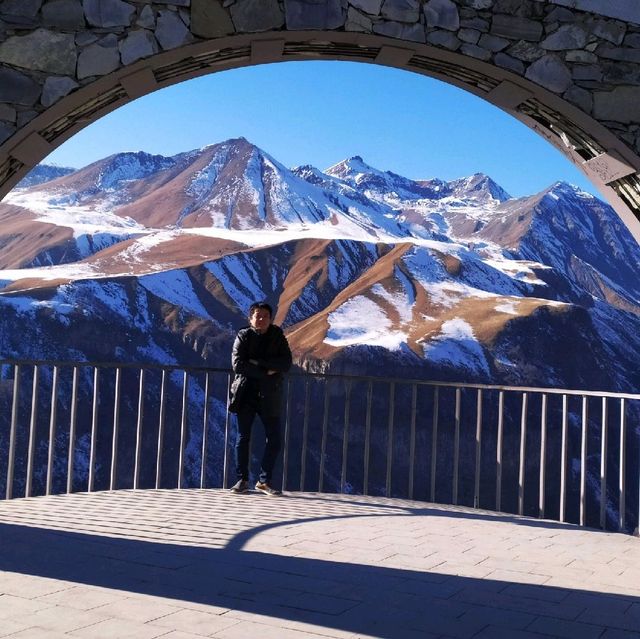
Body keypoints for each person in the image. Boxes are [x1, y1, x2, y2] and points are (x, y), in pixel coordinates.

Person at [229, 301, 292, 495]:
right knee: (243, 438)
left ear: (271, 319)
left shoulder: (277, 335)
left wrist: (257, 364)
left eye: (265, 315)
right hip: (245, 394)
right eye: (258, 315)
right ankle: (242, 480)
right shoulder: (243, 335)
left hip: (269, 395)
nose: (261, 319)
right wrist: (267, 371)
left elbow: (286, 363)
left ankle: (264, 481)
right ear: (251, 318)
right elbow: (238, 364)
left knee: (274, 439)